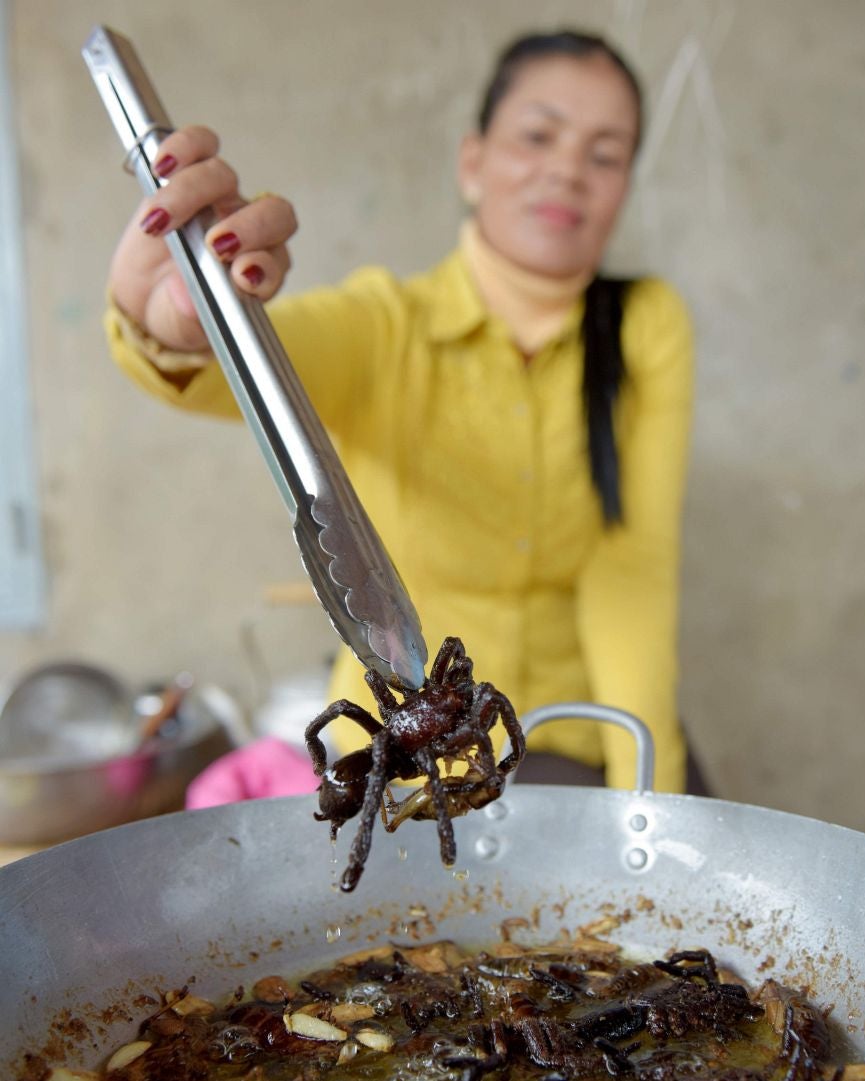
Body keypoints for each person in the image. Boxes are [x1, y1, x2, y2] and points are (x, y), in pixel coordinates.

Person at [105, 29, 702, 794]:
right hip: (408, 752)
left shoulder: (647, 325)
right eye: (538, 136)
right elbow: (260, 366)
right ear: (473, 162)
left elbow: (632, 577)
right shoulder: (387, 325)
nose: (566, 171)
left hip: (573, 734)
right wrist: (186, 320)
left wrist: (648, 796)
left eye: (605, 154)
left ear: (625, 186)